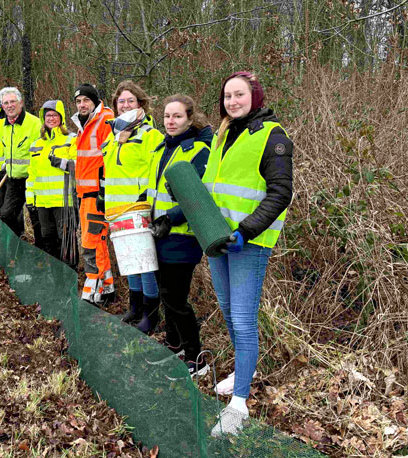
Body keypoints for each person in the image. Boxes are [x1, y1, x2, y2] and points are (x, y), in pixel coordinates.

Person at [203, 72, 293, 437]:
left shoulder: (273, 136)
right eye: (227, 95)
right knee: (227, 311)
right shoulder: (223, 134)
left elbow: (280, 192)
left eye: (239, 95)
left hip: (247, 243)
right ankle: (245, 369)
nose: (232, 101)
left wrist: (246, 231)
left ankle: (239, 404)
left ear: (254, 97)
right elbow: (212, 188)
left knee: (242, 319)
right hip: (217, 242)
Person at [144, 94, 212, 376]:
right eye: (167, 117)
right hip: (156, 234)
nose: (171, 121)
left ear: (189, 118)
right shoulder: (161, 149)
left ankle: (197, 359)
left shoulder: (199, 151)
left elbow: (198, 196)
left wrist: (169, 219)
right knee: (165, 294)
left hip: (182, 236)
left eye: (177, 117)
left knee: (175, 299)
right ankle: (174, 346)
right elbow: (152, 189)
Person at [99, 80, 163, 330]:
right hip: (116, 212)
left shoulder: (149, 135)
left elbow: (157, 170)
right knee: (129, 263)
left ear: (140, 104)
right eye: (121, 101)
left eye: (130, 101)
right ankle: (134, 308)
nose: (125, 105)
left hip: (138, 209)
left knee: (145, 265)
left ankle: (151, 314)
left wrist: (146, 198)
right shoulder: (114, 137)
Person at [70, 84, 116, 307]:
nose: (82, 105)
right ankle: (108, 288)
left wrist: (104, 192)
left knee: (91, 242)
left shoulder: (104, 120)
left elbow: (109, 158)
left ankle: (91, 290)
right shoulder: (84, 124)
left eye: (86, 100)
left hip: (97, 195)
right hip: (86, 194)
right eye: (78, 101)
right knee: (97, 241)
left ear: (95, 101)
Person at [25, 100, 78, 266]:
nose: (51, 118)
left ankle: (70, 274)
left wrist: (61, 162)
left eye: (55, 115)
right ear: (43, 118)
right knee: (48, 238)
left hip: (64, 200)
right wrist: (30, 199)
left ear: (61, 118)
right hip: (42, 202)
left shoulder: (72, 139)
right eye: (48, 115)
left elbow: (79, 167)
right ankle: (55, 273)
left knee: (66, 239)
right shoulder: (36, 145)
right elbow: (31, 175)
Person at [0, 87, 43, 248]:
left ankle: (40, 251)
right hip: (13, 180)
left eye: (12, 102)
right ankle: (17, 245)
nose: (9, 106)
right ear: (2, 106)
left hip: (32, 181)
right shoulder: (3, 126)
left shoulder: (35, 123)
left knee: (36, 218)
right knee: (6, 214)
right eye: (6, 103)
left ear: (21, 103)